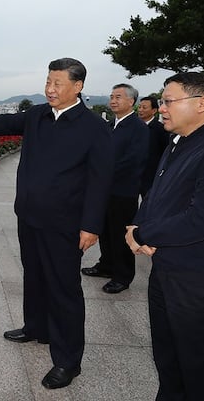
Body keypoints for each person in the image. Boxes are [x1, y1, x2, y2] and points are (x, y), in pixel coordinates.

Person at [0, 58, 112, 390]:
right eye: (47, 82)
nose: (50, 89)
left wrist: (91, 226)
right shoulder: (38, 115)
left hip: (65, 223)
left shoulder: (94, 128)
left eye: (57, 84)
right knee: (35, 274)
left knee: (64, 288)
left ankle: (68, 360)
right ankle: (35, 327)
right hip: (29, 215)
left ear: (78, 87)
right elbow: (10, 121)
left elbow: (100, 182)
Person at [125, 72, 204, 401]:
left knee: (198, 370)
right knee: (169, 363)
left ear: (201, 104)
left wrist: (144, 232)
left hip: (201, 278)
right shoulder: (180, 141)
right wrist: (137, 226)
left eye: (169, 101)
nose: (162, 108)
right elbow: (157, 194)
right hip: (168, 268)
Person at [81, 84, 148, 294]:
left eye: (118, 97)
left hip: (122, 191)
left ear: (131, 101)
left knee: (120, 234)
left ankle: (123, 276)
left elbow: (133, 161)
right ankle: (106, 265)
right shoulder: (109, 126)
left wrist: (101, 172)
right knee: (106, 231)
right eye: (111, 96)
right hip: (103, 191)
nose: (113, 100)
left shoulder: (139, 128)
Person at [136, 95, 169, 198]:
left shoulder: (161, 130)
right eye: (139, 107)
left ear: (154, 110)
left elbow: (165, 152)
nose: (140, 110)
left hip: (151, 176)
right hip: (133, 175)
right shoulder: (134, 127)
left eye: (144, 107)